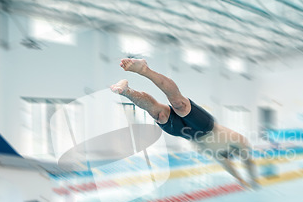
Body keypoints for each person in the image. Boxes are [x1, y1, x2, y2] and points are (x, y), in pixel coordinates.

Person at [110, 58, 258, 189]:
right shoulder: (239, 142)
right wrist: (252, 179)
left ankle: (125, 91)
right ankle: (144, 69)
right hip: (205, 126)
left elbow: (231, 167)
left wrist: (240, 180)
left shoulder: (221, 156)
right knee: (179, 104)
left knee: (158, 114)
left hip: (185, 133)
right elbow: (249, 163)